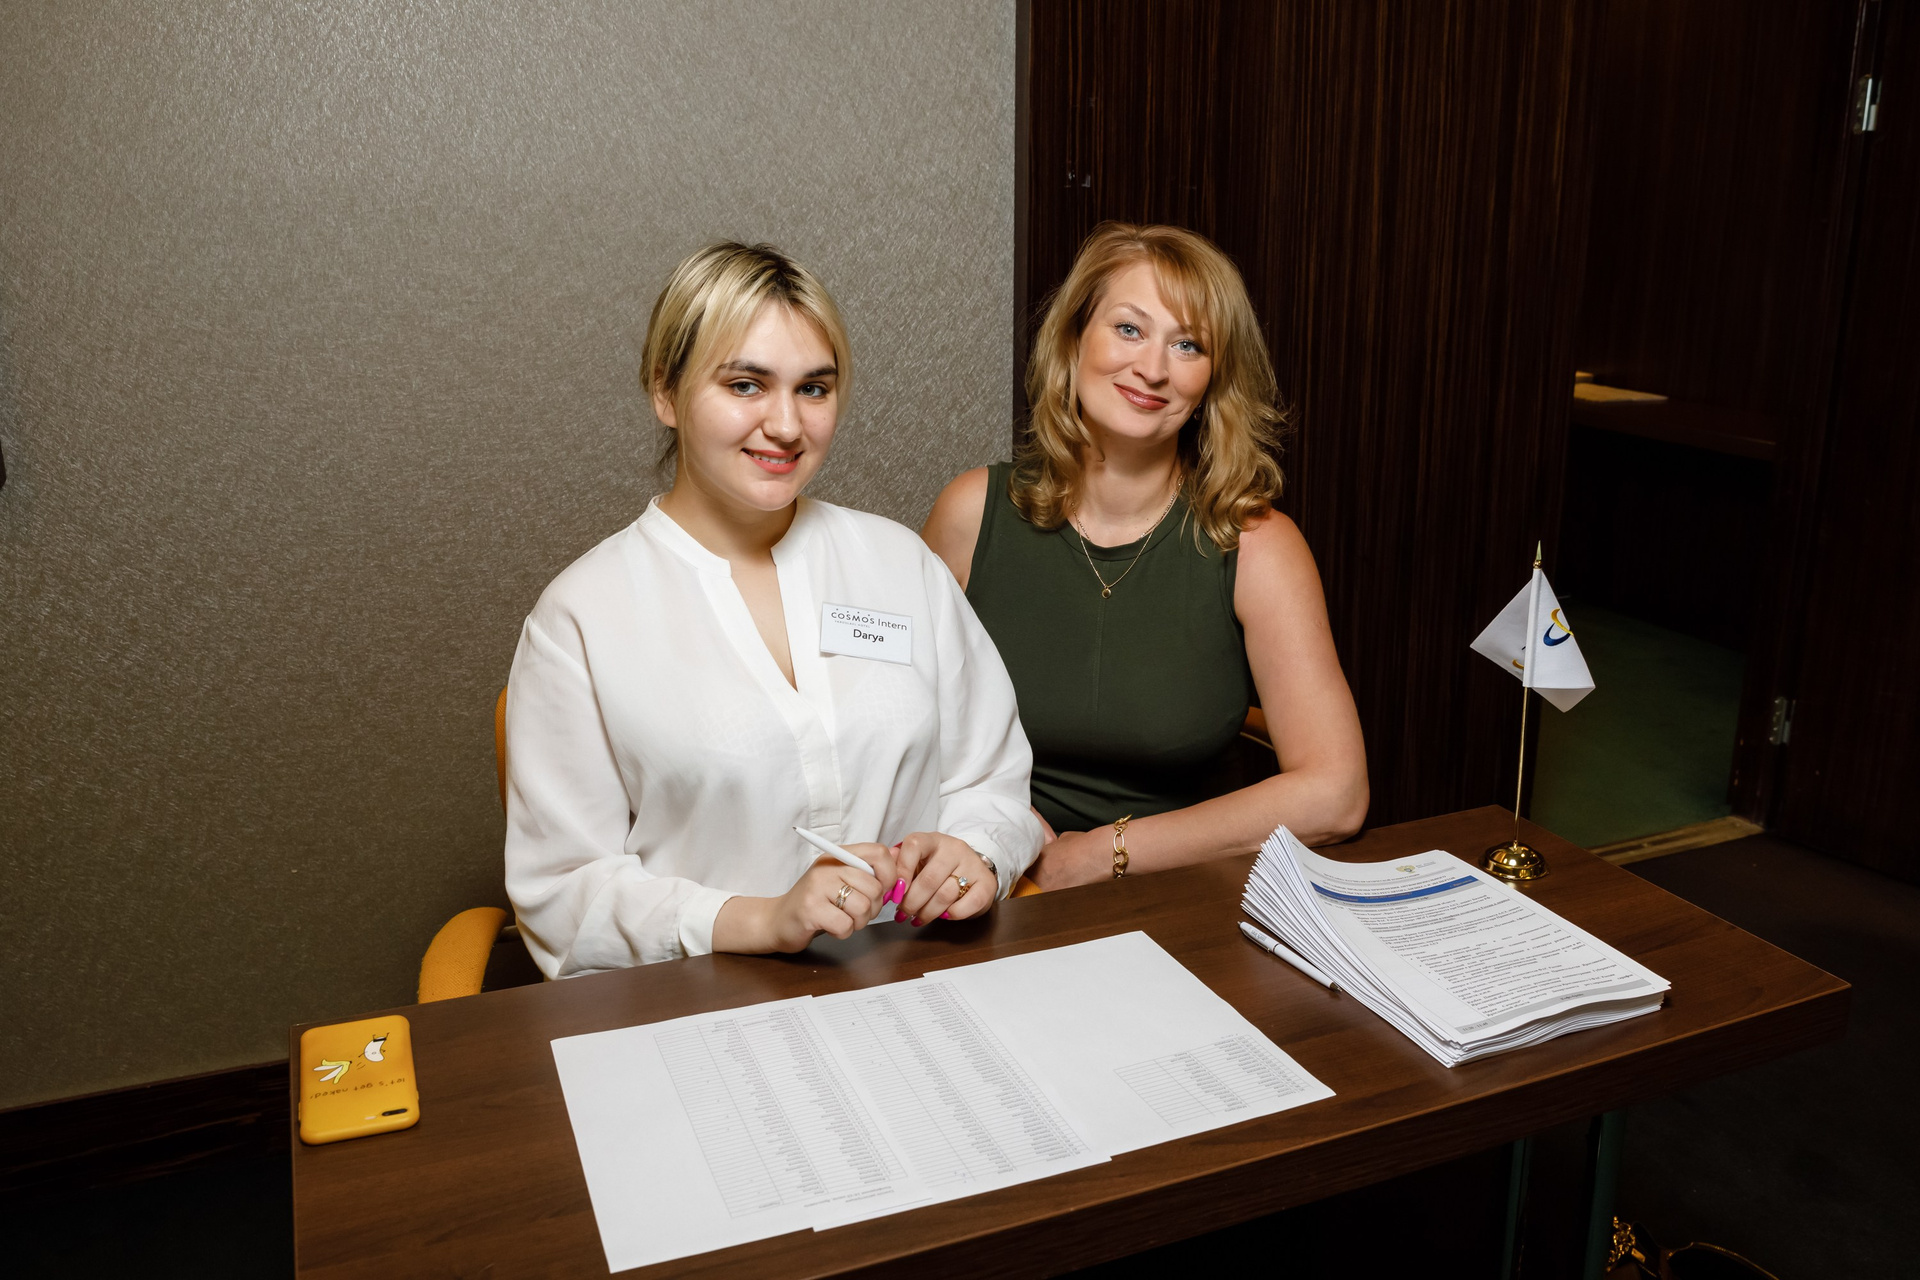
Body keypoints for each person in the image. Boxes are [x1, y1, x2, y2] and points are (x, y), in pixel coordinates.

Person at [505, 242, 1041, 976]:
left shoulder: (899, 565)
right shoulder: (581, 619)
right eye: (746, 385)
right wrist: (761, 920)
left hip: (917, 980)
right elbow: (563, 895)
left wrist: (974, 851)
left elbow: (991, 779)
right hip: (704, 1003)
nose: (787, 425)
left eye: (813, 388)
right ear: (665, 392)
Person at [922, 222, 1367, 890]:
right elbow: (897, 722)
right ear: (1074, 340)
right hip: (992, 876)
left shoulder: (1259, 546)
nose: (1153, 369)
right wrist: (1000, 829)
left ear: (1213, 379)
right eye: (1129, 329)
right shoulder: (971, 513)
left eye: (1188, 345)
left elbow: (1337, 793)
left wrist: (1099, 854)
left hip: (1182, 889)